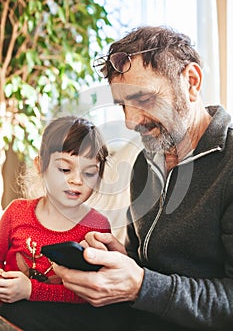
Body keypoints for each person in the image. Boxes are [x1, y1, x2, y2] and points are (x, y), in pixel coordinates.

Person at [53, 26, 233, 331]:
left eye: (142, 99)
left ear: (191, 82)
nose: (130, 121)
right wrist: (122, 260)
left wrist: (141, 285)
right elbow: (147, 265)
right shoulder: (144, 162)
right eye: (123, 105)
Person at [0, 116, 117, 330]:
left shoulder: (97, 227)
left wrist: (31, 290)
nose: (77, 180)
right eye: (65, 169)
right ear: (40, 166)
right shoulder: (17, 212)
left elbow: (92, 293)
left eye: (89, 173)